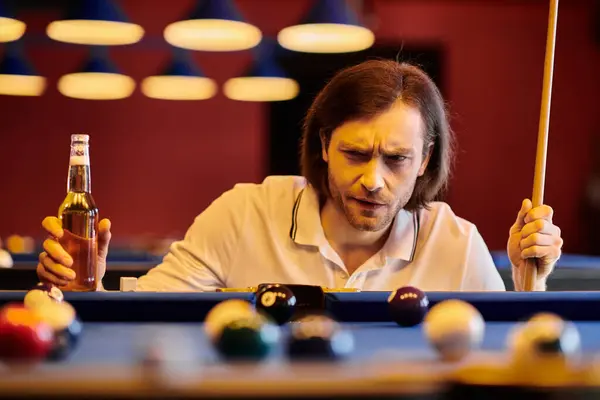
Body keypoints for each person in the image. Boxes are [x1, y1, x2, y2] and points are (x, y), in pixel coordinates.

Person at [36, 60, 563, 292]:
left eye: (397, 160)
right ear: (323, 146)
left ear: (424, 160)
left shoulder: (455, 241)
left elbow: (518, 356)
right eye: (356, 154)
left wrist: (529, 280)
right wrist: (88, 288)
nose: (374, 181)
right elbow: (147, 315)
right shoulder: (244, 213)